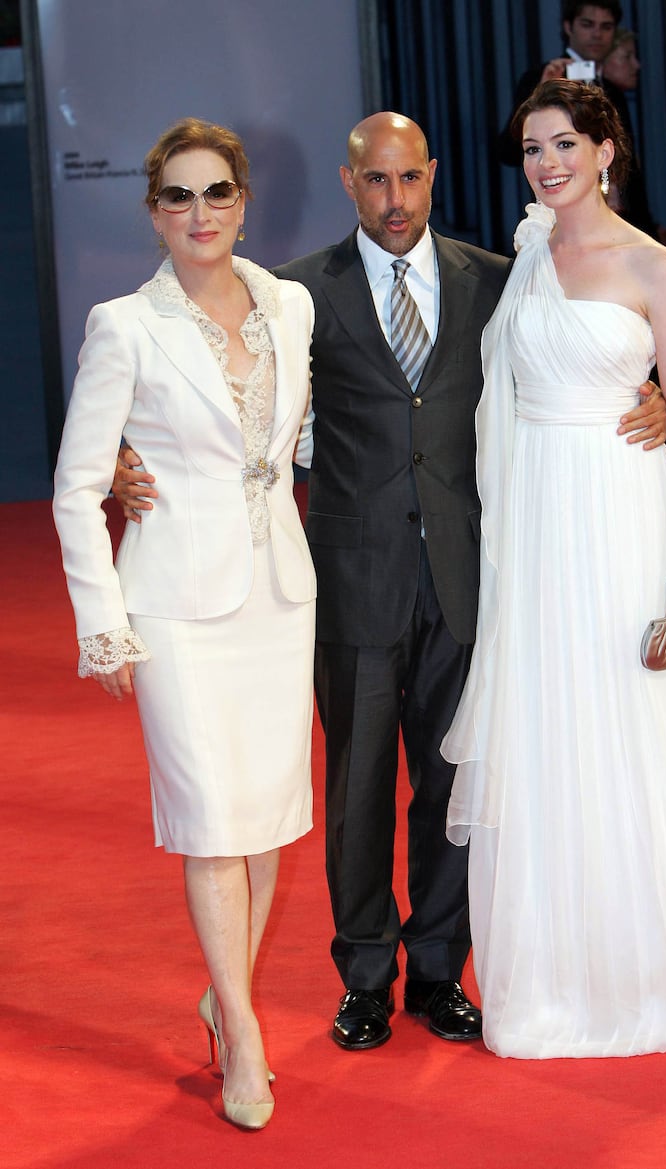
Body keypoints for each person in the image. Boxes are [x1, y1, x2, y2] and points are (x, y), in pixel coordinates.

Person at [113, 111, 666, 1054]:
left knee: (453, 780)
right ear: (347, 181)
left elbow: (566, 351)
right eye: (376, 181)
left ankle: (441, 970)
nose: (395, 199)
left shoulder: (495, 280)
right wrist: (129, 450)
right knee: (359, 786)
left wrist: (641, 394)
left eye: (410, 180)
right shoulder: (291, 294)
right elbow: (199, 370)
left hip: (469, 571)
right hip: (346, 578)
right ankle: (365, 975)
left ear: (432, 175)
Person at [442, 80, 666, 1059]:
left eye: (561, 145)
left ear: (603, 151)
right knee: (549, 728)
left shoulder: (652, 265)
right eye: (529, 149)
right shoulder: (524, 254)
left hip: (623, 516)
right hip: (535, 526)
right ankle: (553, 980)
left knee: (636, 723)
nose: (544, 163)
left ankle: (661, 976)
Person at [53, 118, 316, 1127]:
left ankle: (223, 992)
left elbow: (297, 437)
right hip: (173, 601)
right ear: (152, 212)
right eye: (178, 197)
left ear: (243, 202)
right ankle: (244, 1034)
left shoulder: (288, 305)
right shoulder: (125, 325)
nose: (199, 213)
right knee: (210, 815)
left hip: (277, 595)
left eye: (216, 193)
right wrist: (103, 624)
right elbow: (77, 488)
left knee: (264, 816)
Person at [498, 3, 666, 252]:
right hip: (560, 225)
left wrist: (647, 227)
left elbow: (627, 165)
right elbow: (508, 151)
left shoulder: (610, 88)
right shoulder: (540, 78)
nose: (597, 34)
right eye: (587, 25)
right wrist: (542, 93)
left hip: (619, 222)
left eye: (606, 27)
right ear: (569, 27)